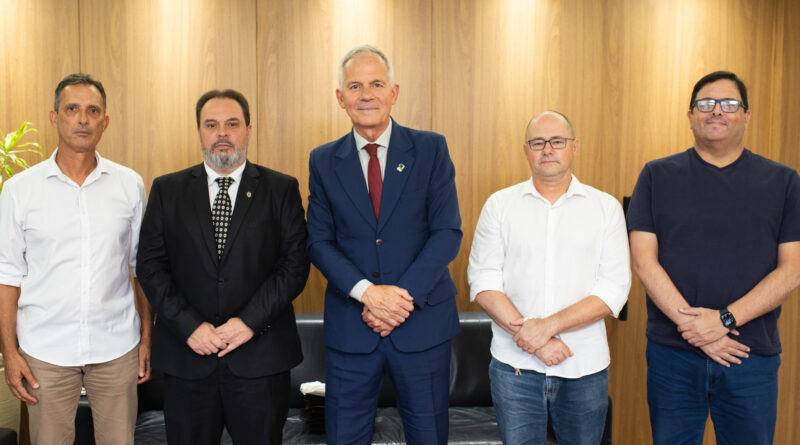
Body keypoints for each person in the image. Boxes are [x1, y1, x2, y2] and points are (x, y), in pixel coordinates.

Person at [628, 71, 800, 444]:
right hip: (673, 355)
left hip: (749, 355)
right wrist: (697, 331)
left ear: (746, 115)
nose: (716, 111)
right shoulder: (657, 176)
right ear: (690, 115)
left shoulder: (785, 182)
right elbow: (643, 261)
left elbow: (792, 269)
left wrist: (724, 320)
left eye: (729, 104)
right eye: (705, 104)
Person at [306, 44, 462, 445]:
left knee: (428, 436)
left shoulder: (430, 149)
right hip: (352, 328)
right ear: (340, 98)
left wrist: (398, 299)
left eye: (377, 83)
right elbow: (319, 241)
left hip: (422, 324)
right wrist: (368, 295)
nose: (367, 94)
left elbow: (447, 232)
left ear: (395, 92)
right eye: (355, 86)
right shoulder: (323, 160)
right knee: (344, 437)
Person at [136, 89, 309, 445]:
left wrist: (247, 323)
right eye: (211, 125)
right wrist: (189, 326)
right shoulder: (168, 190)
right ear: (199, 131)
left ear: (248, 128)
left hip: (260, 359)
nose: (222, 133)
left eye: (232, 124)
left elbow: (294, 265)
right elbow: (151, 266)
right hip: (188, 359)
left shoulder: (281, 189)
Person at [0, 73, 153, 445]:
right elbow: (7, 275)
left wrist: (147, 338)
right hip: (44, 351)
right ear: (55, 117)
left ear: (105, 121)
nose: (82, 119)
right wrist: (10, 353)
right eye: (72, 109)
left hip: (117, 348)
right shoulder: (20, 190)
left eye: (92, 110)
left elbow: (142, 270)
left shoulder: (129, 185)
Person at [468, 111, 630, 444]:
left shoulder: (606, 208)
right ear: (525, 150)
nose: (548, 149)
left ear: (575, 147)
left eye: (557, 141)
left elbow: (613, 289)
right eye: (538, 142)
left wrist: (547, 328)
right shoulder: (500, 205)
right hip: (514, 368)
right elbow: (483, 282)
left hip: (583, 367)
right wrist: (536, 339)